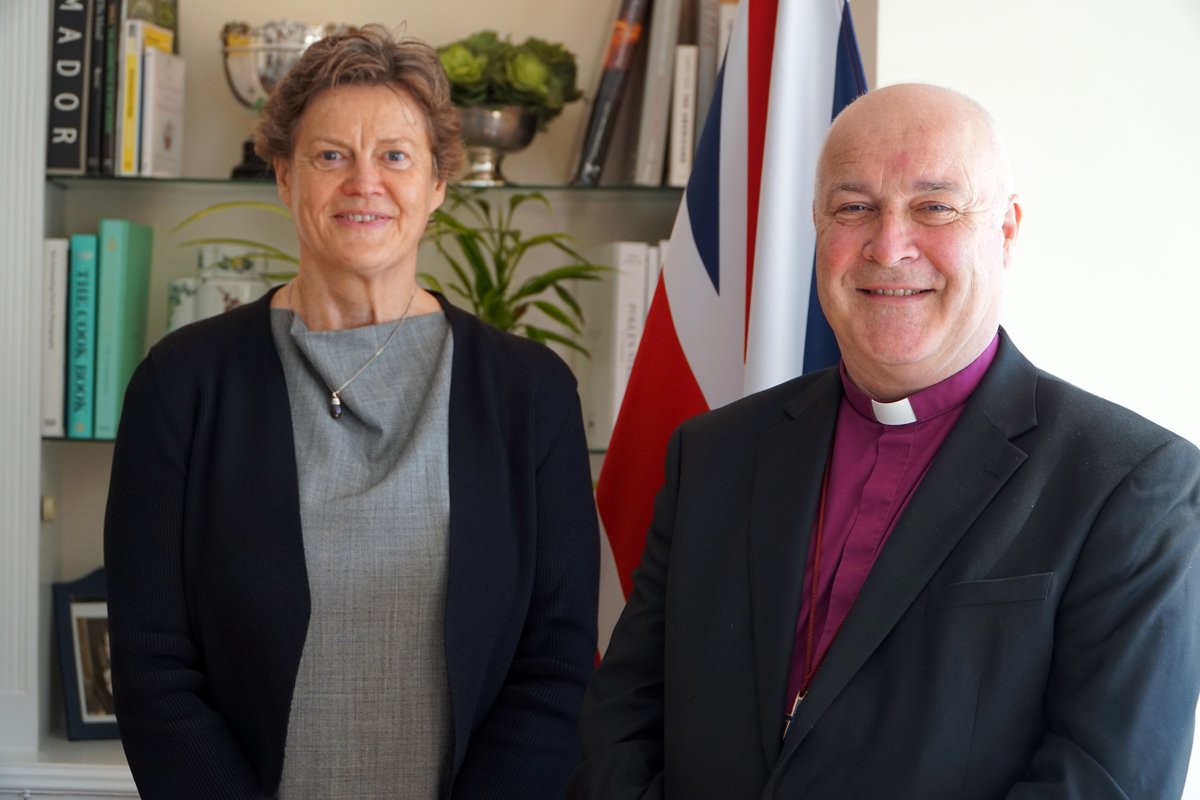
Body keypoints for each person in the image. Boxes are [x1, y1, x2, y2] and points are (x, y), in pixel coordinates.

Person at [568, 83, 1200, 799]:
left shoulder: (1131, 482)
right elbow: (620, 721)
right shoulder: (714, 454)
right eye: (854, 207)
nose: (889, 245)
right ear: (817, 228)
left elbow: (1104, 782)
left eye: (935, 207)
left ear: (1007, 231)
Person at [104, 25, 599, 799]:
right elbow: (151, 662)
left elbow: (557, 661)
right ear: (284, 176)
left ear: (437, 182)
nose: (364, 182)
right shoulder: (183, 384)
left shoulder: (529, 394)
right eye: (331, 155)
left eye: (396, 157)